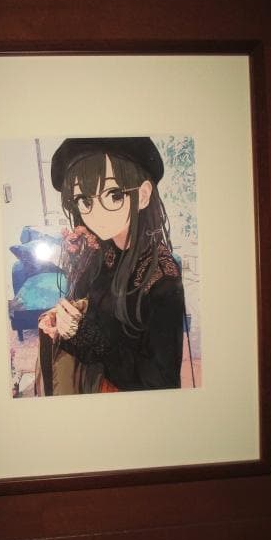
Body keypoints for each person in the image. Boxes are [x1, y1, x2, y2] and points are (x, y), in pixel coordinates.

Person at [35, 137, 184, 395]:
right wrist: (62, 322)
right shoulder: (101, 253)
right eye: (85, 200)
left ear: (143, 195)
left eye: (114, 195)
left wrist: (83, 333)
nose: (96, 214)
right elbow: (86, 312)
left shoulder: (163, 278)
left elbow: (160, 382)